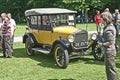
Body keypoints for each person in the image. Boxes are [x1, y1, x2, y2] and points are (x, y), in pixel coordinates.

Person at [98, 12, 119, 80]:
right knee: (110, 69)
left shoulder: (109, 29)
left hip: (109, 51)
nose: (100, 20)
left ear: (105, 19)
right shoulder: (109, 26)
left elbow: (111, 42)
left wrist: (102, 44)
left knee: (111, 70)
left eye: (101, 18)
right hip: (110, 51)